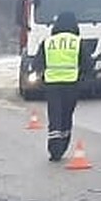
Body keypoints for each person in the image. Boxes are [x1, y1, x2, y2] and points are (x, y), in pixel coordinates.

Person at [35, 11, 93, 161]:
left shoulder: (48, 42)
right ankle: (63, 145)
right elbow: (88, 65)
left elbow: (37, 64)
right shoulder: (77, 42)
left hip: (52, 86)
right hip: (71, 85)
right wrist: (84, 82)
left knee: (54, 116)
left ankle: (54, 150)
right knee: (66, 116)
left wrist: (43, 78)